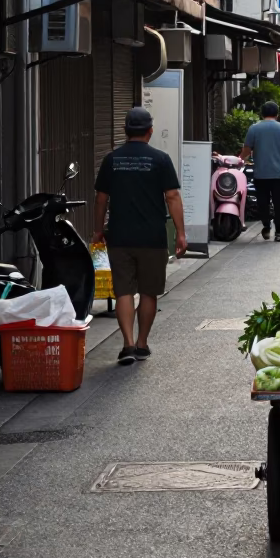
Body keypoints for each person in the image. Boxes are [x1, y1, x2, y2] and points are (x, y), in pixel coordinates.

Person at [93, 107, 187, 365]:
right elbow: (172, 196)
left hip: (120, 236)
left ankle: (127, 344)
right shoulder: (160, 159)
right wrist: (180, 233)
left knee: (123, 291)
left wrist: (98, 229)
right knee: (148, 292)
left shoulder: (112, 159)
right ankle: (143, 344)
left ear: (125, 131)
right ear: (150, 131)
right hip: (152, 237)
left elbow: (101, 198)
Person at [241, 102, 280, 243]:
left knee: (262, 202)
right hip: (279, 174)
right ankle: (279, 232)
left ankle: (266, 226)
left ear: (262, 114)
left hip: (261, 173)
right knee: (279, 203)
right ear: (277, 114)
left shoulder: (254, 129)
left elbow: (246, 150)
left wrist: (238, 159)